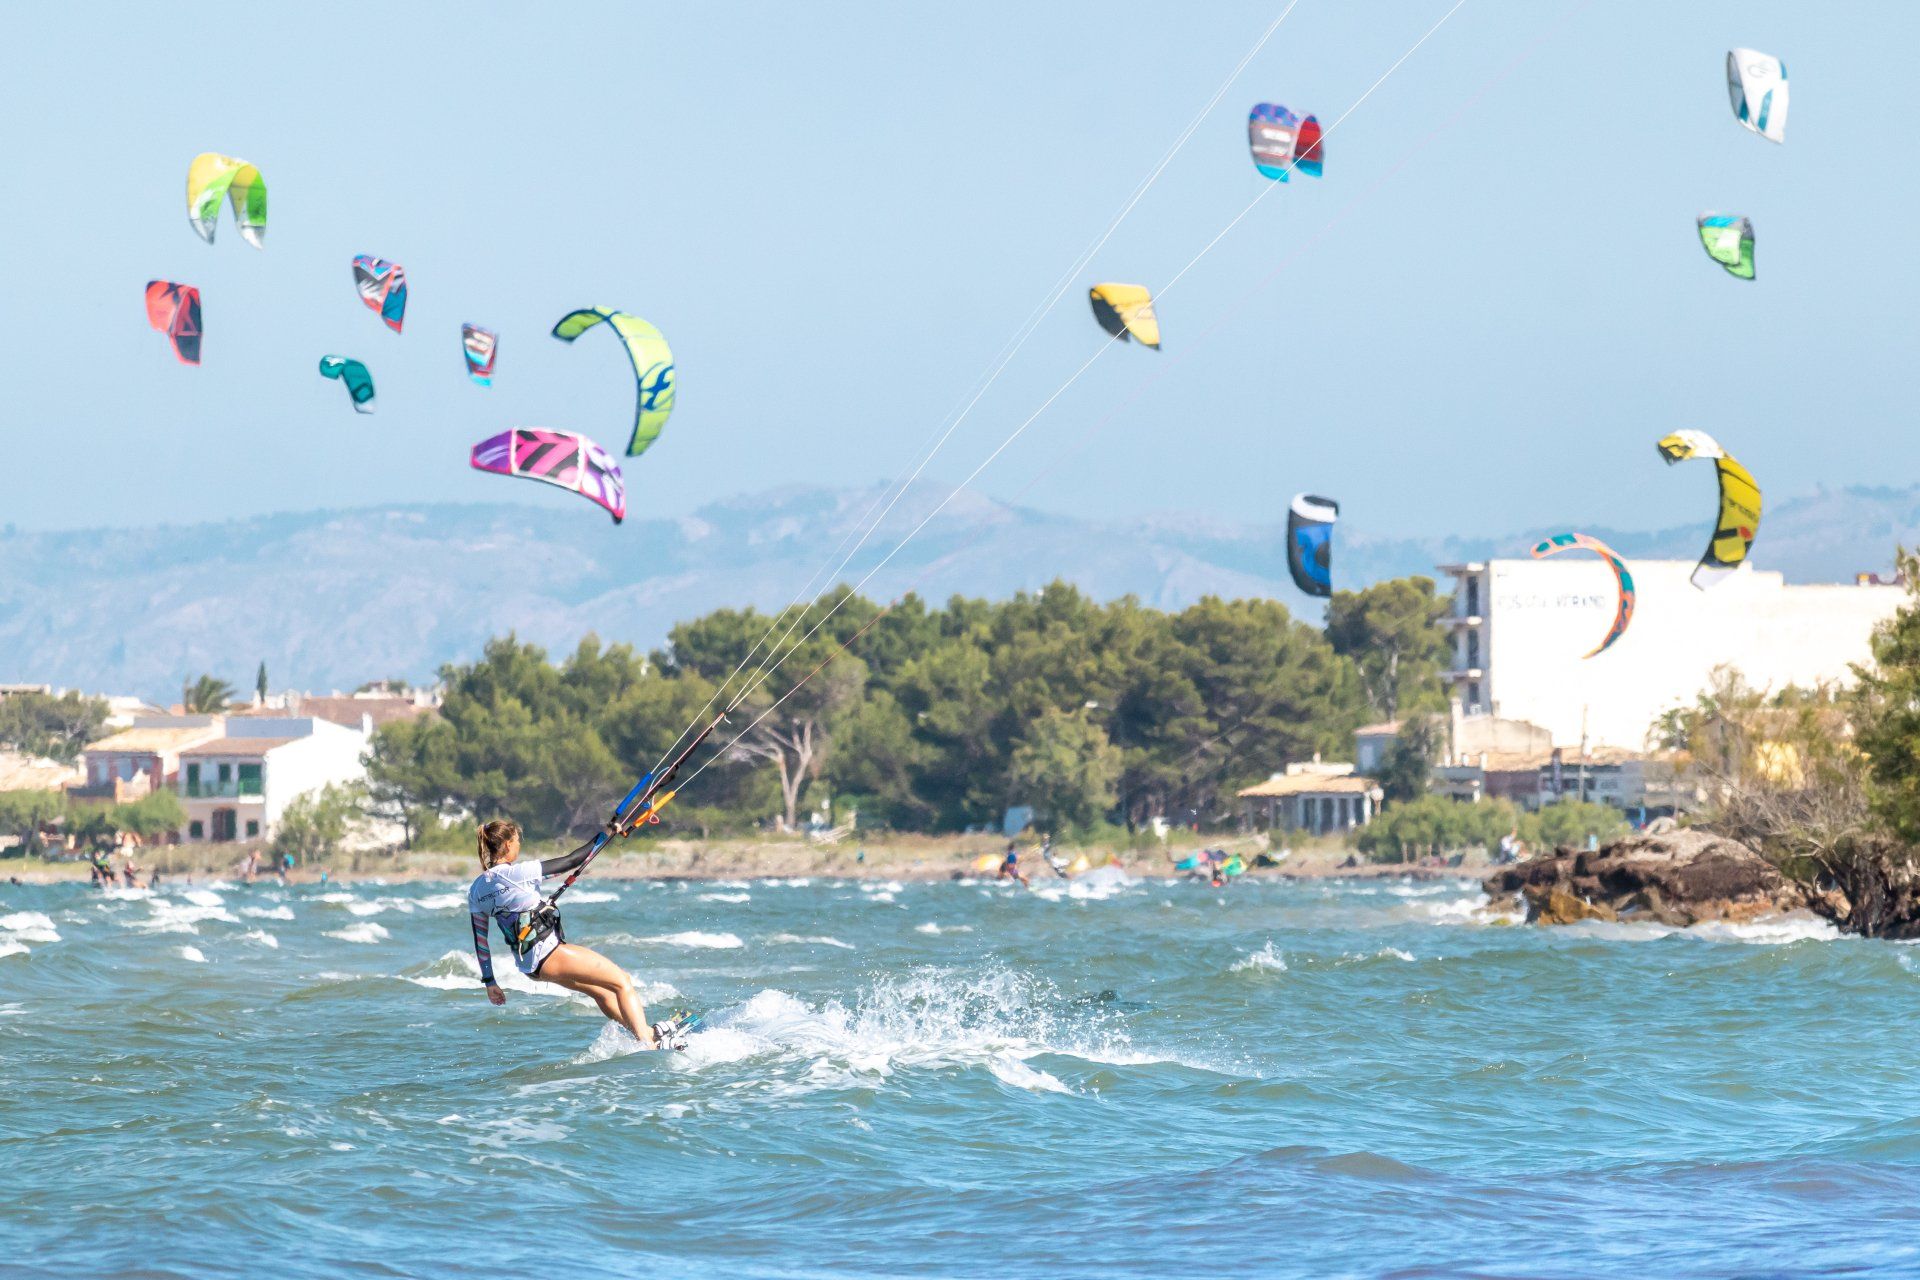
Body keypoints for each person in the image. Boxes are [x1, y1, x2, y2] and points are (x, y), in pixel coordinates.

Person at [467, 819, 692, 1049]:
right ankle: (648, 1044)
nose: (518, 846)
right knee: (622, 982)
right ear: (507, 845)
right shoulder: (518, 873)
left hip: (530, 967)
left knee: (602, 993)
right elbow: (571, 861)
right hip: (548, 954)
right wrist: (605, 834)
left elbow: (480, 941)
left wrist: (490, 982)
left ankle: (646, 1033)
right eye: (516, 841)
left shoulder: (476, 890)